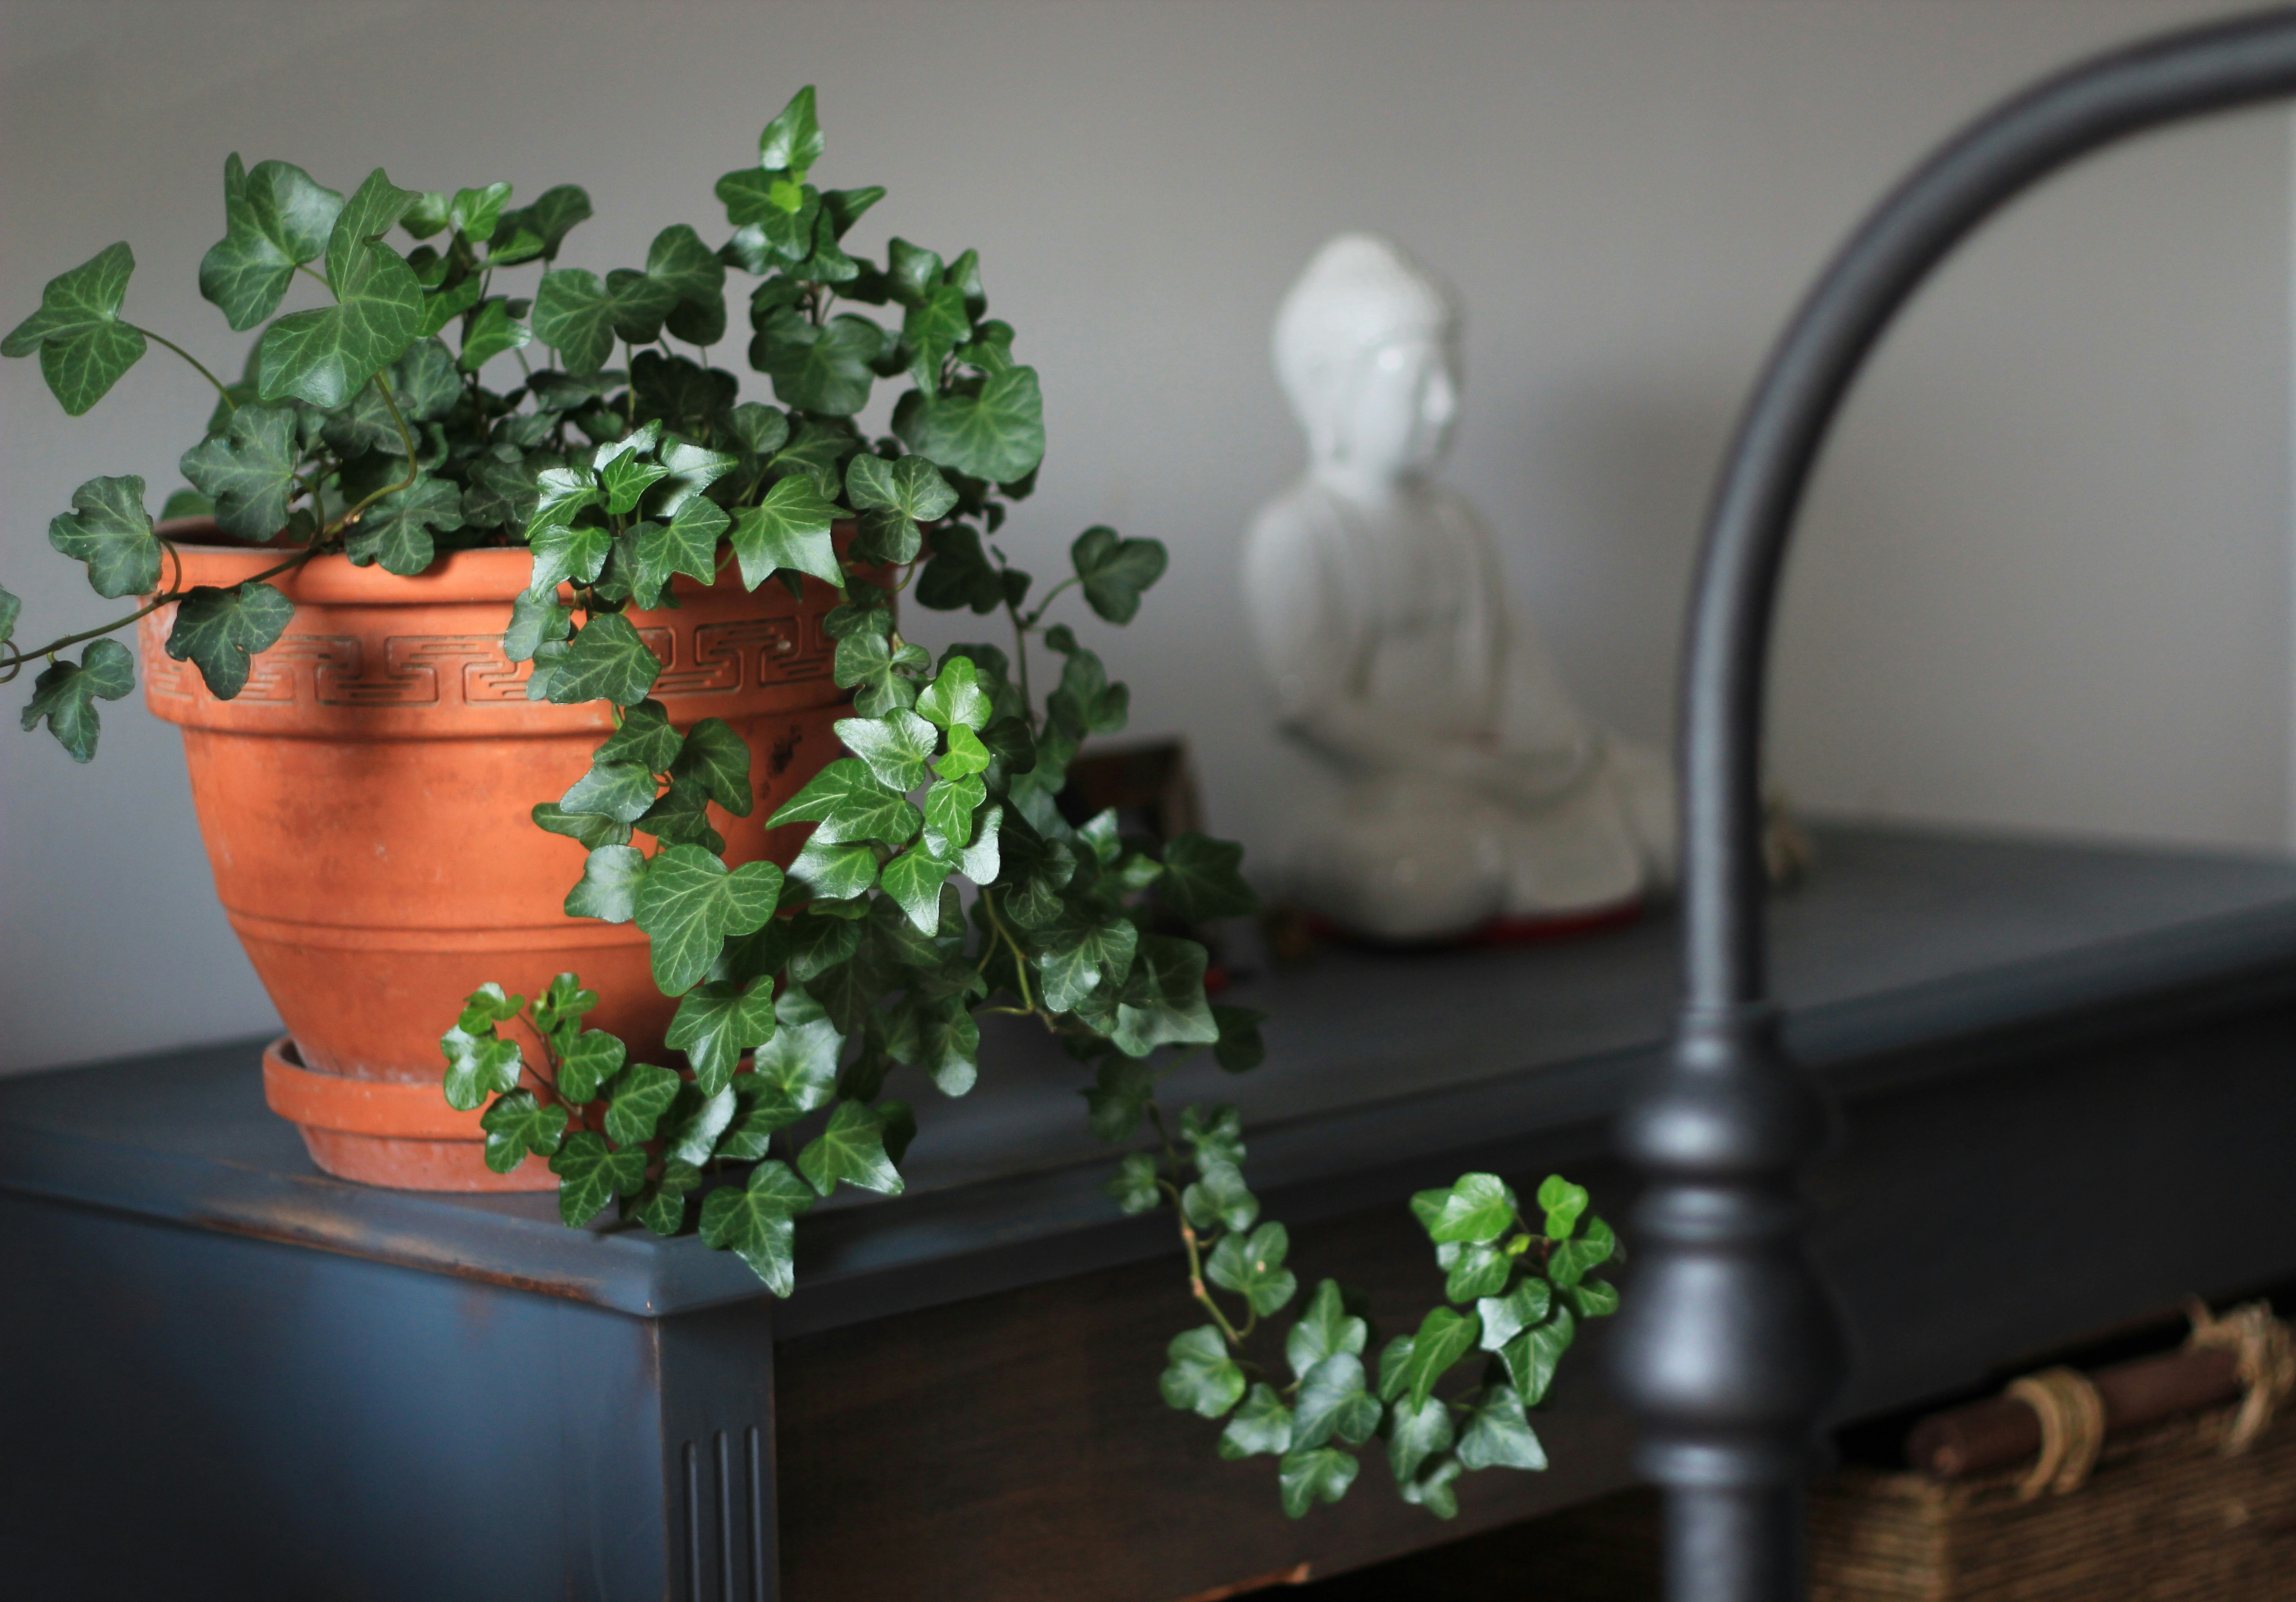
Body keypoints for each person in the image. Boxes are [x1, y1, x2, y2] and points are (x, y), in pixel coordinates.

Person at [1243, 233, 1675, 942]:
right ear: (1331, 387)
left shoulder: (1457, 523)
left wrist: (1553, 751)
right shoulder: (1299, 533)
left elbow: (1519, 667)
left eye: (1453, 380)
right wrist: (1452, 766)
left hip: (1498, 772)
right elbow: (1311, 707)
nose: (1444, 408)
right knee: (1424, 874)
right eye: (1417, 384)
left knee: (1666, 812)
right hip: (1387, 793)